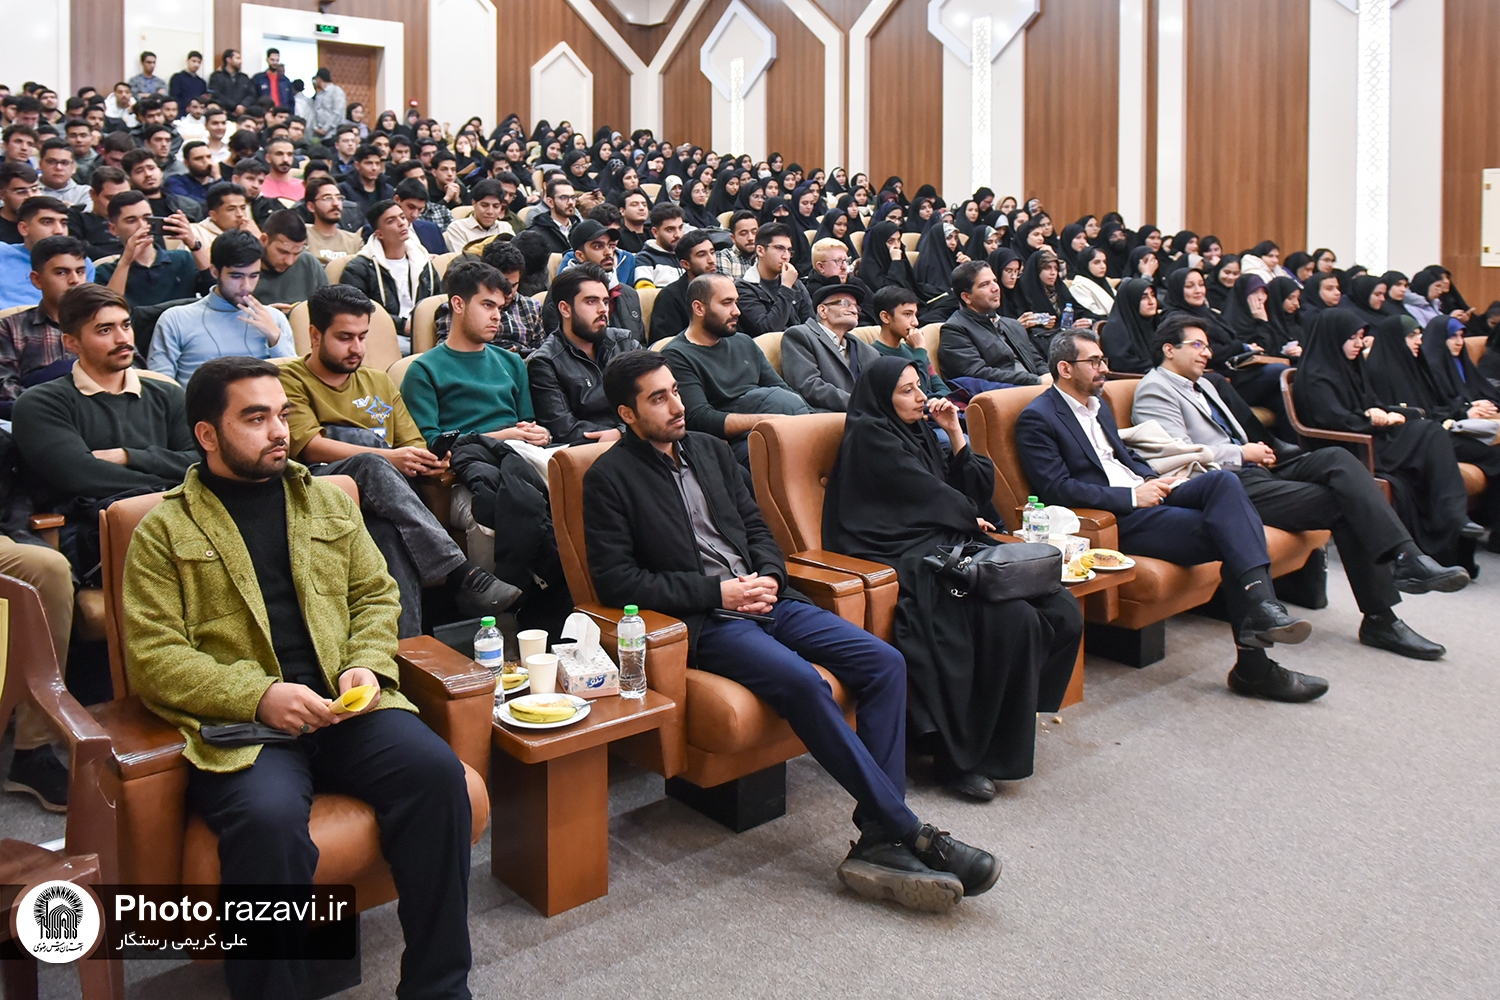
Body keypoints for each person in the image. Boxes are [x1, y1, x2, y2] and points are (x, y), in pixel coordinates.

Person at [584, 349, 1001, 910]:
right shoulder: (609, 478)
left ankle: (879, 836)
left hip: (768, 597)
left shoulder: (709, 450)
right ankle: (908, 830)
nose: (676, 405)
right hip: (710, 619)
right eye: (658, 399)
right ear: (627, 414)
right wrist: (718, 593)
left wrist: (770, 577)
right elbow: (618, 581)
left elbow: (758, 529)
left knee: (885, 663)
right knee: (805, 682)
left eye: (676, 392)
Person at [123, 354, 475, 1000]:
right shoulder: (163, 530)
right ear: (207, 434)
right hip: (247, 728)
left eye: (282, 415)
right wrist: (260, 695)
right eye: (255, 418)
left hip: (347, 704)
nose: (279, 431)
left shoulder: (327, 502)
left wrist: (367, 661)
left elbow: (377, 596)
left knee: (435, 775)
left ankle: (440, 988)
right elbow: (155, 658)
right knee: (267, 823)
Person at [1016, 329, 1330, 703]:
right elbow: (1057, 488)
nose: (1104, 368)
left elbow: (1122, 457)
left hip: (1148, 492)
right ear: (1065, 368)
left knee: (1224, 483)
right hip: (1119, 517)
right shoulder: (1038, 418)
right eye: (1094, 361)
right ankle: (1254, 665)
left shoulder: (1099, 406)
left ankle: (1261, 607)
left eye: (1103, 360)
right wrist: (1132, 496)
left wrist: (1152, 478)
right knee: (1232, 534)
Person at [822, 355, 1083, 799]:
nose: (920, 396)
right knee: (1012, 619)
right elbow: (923, 494)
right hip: (901, 554)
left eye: (919, 386)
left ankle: (1009, 714)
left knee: (1060, 606)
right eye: (906, 390)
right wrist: (966, 517)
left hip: (945, 542)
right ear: (882, 396)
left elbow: (974, 490)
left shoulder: (920, 429)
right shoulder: (870, 434)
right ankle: (963, 757)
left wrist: (956, 433)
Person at [1134, 312, 1465, 660]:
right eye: (1197, 345)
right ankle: (1382, 617)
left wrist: (1258, 452)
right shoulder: (1155, 389)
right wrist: (1241, 454)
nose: (1207, 352)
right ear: (1169, 349)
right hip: (1225, 484)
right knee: (1345, 503)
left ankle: (1408, 557)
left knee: (1336, 458)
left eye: (1207, 345)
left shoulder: (1206, 385)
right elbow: (1177, 455)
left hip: (1256, 470)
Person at [278, 285, 521, 632]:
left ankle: (409, 649)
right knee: (371, 463)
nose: (357, 348)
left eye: (362, 336)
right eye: (345, 338)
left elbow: (412, 443)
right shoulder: (288, 379)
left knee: (390, 535)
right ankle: (458, 571)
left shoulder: (378, 382)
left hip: (385, 499)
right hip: (323, 487)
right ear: (315, 335)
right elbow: (310, 446)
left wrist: (428, 460)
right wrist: (390, 457)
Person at [400, 262, 567, 631]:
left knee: (567, 489)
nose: (497, 317)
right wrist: (505, 436)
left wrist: (536, 434)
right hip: (461, 476)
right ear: (458, 304)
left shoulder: (511, 362)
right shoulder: (423, 370)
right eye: (487, 305)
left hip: (519, 461)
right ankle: (491, 619)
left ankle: (556, 603)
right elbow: (431, 444)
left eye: (501, 308)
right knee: (489, 509)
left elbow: (526, 425)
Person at [1295, 310, 1483, 572]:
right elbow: (1332, 419)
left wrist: (1386, 413)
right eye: (1352, 338)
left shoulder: (1350, 366)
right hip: (1351, 449)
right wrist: (1372, 419)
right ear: (1333, 337)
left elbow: (1371, 403)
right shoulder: (1316, 375)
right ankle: (1453, 520)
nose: (1359, 343)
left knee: (1430, 432)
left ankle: (1453, 526)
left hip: (1371, 438)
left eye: (1360, 336)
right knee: (1430, 435)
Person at [13, 284, 197, 513]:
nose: (122, 338)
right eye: (105, 330)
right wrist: (172, 485)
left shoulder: (169, 394)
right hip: (89, 522)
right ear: (72, 343)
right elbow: (81, 475)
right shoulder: (40, 403)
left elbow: (200, 461)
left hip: (176, 514)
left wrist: (129, 456)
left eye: (126, 325)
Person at [661, 274, 811, 468]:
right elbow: (700, 418)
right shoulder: (676, 355)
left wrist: (809, 420)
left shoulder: (744, 341)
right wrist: (768, 419)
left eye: (736, 302)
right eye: (726, 303)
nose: (737, 311)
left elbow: (783, 389)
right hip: (733, 445)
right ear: (698, 308)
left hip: (776, 425)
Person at [149, 229, 295, 382]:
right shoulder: (176, 319)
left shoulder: (274, 319)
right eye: (236, 276)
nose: (246, 286)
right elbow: (160, 387)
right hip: (199, 398)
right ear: (214, 272)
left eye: (253, 276)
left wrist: (275, 338)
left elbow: (294, 383)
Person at [527, 263, 642, 445]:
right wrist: (618, 435)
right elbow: (563, 428)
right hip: (592, 449)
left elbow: (655, 396)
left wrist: (622, 432)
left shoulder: (625, 343)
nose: (603, 310)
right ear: (565, 309)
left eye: (605, 301)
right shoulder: (546, 362)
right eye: (591, 301)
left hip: (638, 439)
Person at [0, 236, 91, 409]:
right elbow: (5, 388)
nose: (74, 280)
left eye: (80, 271)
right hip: (37, 415)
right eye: (61, 272)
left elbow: (134, 372)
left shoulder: (106, 324)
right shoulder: (10, 328)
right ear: (37, 280)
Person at [339, 200, 440, 352]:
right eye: (391, 221)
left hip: (426, 330)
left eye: (402, 217)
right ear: (379, 234)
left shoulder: (423, 262)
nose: (401, 223)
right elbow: (358, 311)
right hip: (387, 334)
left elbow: (438, 300)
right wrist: (403, 325)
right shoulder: (359, 268)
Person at [939, 260, 1050, 394]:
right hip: (1005, 395)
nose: (995, 288)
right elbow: (977, 373)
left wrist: (1050, 378)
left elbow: (1037, 362)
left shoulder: (1012, 325)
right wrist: (1036, 381)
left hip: (1036, 389)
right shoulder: (955, 330)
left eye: (995, 281)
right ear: (966, 297)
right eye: (985, 284)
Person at [96, 190, 210, 307]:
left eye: (147, 218)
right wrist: (125, 263)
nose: (142, 226)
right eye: (131, 221)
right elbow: (110, 309)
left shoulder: (182, 259)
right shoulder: (105, 272)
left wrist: (194, 245)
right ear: (113, 229)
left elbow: (212, 291)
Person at [780, 282, 878, 411]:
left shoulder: (865, 348)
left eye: (856, 307)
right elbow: (808, 386)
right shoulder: (800, 335)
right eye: (845, 303)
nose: (854, 311)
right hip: (828, 414)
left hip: (867, 414)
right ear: (823, 310)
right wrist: (858, 404)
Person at [547, 219, 644, 338]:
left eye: (610, 245)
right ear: (580, 256)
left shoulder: (629, 294)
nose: (608, 252)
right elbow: (557, 341)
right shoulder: (560, 291)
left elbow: (640, 342)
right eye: (598, 246)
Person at [0, 198, 97, 310]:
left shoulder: (81, 262)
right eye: (47, 222)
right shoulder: (2, 253)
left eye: (64, 223)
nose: (59, 231)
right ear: (24, 228)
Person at [734, 223, 814, 337]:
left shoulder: (794, 282)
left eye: (789, 250)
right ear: (760, 250)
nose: (786, 256)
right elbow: (768, 330)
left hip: (799, 344)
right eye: (779, 248)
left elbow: (811, 324)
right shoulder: (744, 287)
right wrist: (786, 288)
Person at [869, 284, 949, 398]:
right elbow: (917, 394)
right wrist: (920, 349)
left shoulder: (913, 348)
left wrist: (935, 402)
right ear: (885, 317)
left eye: (915, 315)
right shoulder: (875, 355)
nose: (915, 322)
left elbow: (944, 390)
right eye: (907, 314)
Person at [647, 227, 717, 344]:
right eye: (701, 255)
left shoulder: (724, 289)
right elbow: (665, 343)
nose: (711, 260)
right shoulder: (669, 297)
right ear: (685, 264)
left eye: (712, 252)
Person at [253, 209, 329, 312]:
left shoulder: (309, 264)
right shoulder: (244, 271)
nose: (289, 261)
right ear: (263, 240)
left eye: (297, 253)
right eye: (283, 252)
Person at [302, 176, 364, 263]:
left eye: (339, 198)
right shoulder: (302, 235)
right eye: (328, 198)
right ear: (311, 207)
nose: (336, 203)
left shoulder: (354, 241)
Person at [443, 178, 512, 251]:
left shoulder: (505, 228)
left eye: (496, 206)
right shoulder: (458, 228)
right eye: (484, 205)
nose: (490, 211)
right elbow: (463, 257)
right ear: (474, 203)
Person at [633, 202, 685, 287]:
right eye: (670, 230)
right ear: (655, 232)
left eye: (680, 228)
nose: (678, 235)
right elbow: (644, 291)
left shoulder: (688, 256)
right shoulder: (644, 259)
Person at [525, 175, 579, 255]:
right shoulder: (536, 235)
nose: (571, 202)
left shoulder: (580, 228)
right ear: (550, 202)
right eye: (564, 197)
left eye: (573, 197)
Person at [339, 145, 394, 217]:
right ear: (357, 165)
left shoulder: (388, 190)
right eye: (369, 163)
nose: (374, 168)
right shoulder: (344, 189)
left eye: (377, 164)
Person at [36, 139, 87, 208]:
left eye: (65, 163)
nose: (58, 168)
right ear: (40, 164)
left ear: (74, 167)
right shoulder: (27, 190)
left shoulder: (84, 193)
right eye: (51, 162)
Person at [715, 210, 758, 279]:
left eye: (754, 232)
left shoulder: (764, 255)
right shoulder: (725, 256)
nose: (751, 238)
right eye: (743, 233)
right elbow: (726, 286)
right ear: (733, 238)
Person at [259, 135, 304, 201]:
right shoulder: (259, 185)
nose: (285, 159)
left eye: (289, 154)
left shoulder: (303, 186)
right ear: (268, 158)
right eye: (279, 154)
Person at [308, 68, 347, 143]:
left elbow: (337, 112)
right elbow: (315, 112)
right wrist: (316, 128)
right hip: (319, 135)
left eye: (315, 80)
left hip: (333, 134)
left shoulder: (336, 91)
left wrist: (325, 129)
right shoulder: (319, 94)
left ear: (319, 79)